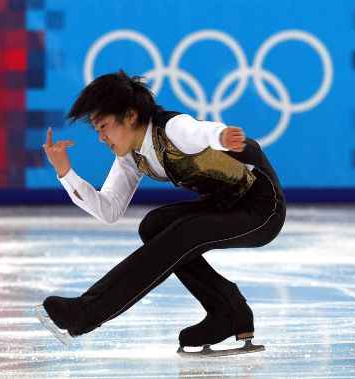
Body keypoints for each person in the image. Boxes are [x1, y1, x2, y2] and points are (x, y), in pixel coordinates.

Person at [38, 70, 286, 356]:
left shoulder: (172, 129)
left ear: (130, 116)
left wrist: (221, 135)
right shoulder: (130, 155)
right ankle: (227, 310)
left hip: (262, 207)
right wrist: (65, 172)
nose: (101, 137)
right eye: (97, 130)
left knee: (184, 233)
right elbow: (109, 210)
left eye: (104, 126)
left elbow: (201, 131)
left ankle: (87, 312)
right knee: (155, 225)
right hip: (225, 203)